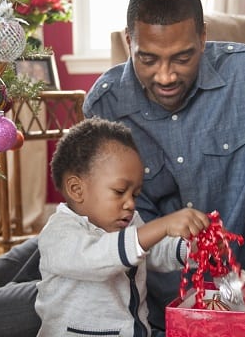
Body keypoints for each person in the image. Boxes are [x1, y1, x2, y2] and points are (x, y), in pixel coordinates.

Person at [82, 0, 245, 331]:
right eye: (148, 59)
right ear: (128, 43)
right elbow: (105, 234)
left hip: (232, 303)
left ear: (203, 37)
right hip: (146, 311)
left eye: (182, 58)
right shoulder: (105, 104)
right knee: (38, 262)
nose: (166, 76)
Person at [36, 117, 211, 336]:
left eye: (135, 194)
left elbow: (151, 250)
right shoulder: (59, 234)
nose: (130, 203)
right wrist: (162, 225)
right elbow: (99, 258)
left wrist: (193, 248)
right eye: (119, 191)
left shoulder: (129, 222)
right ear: (76, 189)